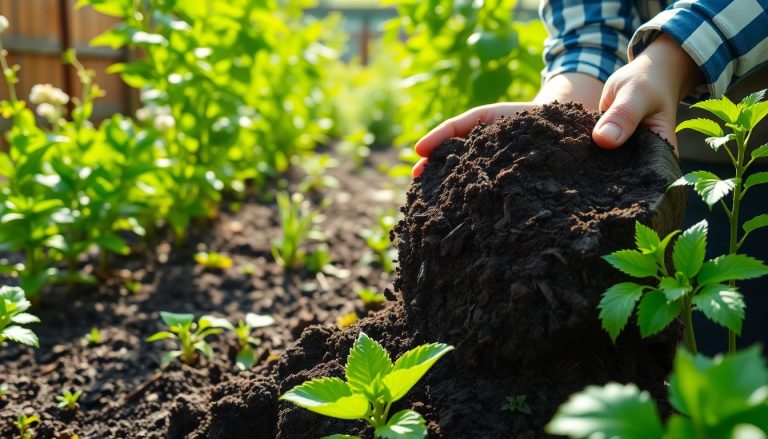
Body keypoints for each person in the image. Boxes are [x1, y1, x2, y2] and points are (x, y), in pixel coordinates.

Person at [411, 0, 768, 354]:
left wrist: (676, 55)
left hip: (750, 139)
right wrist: (559, 113)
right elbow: (591, 20)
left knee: (737, 351)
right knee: (662, 344)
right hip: (655, 138)